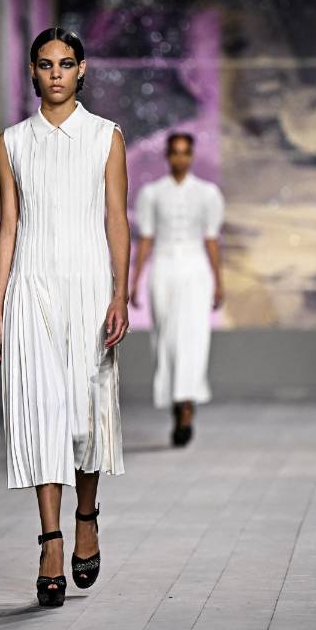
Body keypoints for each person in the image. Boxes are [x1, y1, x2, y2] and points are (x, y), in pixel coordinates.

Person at [0, 27, 129, 607]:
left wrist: (121, 292)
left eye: (66, 64)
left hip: (90, 287)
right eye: (45, 64)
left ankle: (87, 516)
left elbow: (117, 218)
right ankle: (51, 540)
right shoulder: (12, 141)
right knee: (41, 412)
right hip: (31, 287)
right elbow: (8, 226)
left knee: (85, 417)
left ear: (82, 70)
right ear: (31, 70)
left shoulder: (105, 137)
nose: (55, 74)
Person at [129, 133, 225, 446]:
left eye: (185, 153)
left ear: (192, 155)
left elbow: (211, 239)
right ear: (168, 156)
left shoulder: (208, 193)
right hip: (165, 269)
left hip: (196, 270)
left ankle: (187, 404)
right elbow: (146, 238)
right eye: (175, 153)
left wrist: (218, 281)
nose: (180, 158)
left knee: (194, 338)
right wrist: (135, 281)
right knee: (167, 340)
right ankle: (176, 403)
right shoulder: (152, 193)